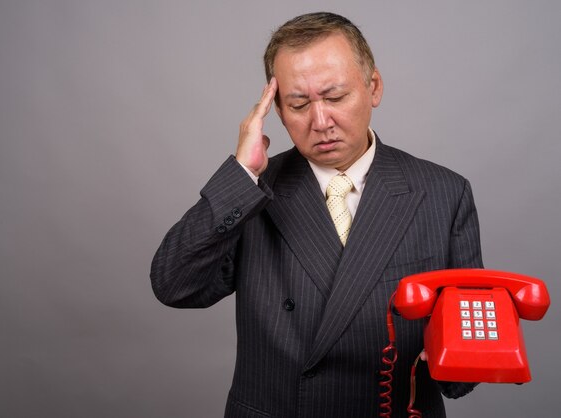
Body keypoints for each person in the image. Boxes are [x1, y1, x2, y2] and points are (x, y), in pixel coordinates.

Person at [151, 12, 482, 418]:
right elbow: (174, 285)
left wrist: (457, 353)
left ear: (373, 87)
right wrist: (242, 174)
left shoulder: (444, 192)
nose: (321, 122)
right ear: (274, 107)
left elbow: (462, 378)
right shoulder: (253, 191)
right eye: (299, 104)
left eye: (336, 97)